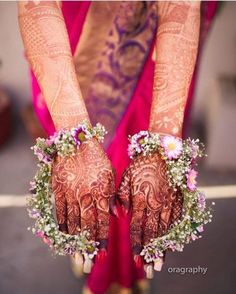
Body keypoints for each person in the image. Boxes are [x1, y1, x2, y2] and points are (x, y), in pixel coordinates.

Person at [18, 1, 218, 293]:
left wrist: (163, 143)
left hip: (162, 31)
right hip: (83, 19)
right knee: (82, 173)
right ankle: (95, 246)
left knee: (142, 169)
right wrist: (75, 136)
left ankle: (123, 272)